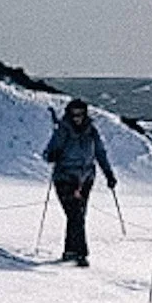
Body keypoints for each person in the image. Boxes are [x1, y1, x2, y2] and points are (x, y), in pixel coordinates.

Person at [42, 98, 116, 267]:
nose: (77, 117)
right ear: (69, 114)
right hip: (65, 178)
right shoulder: (62, 130)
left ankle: (70, 251)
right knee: (75, 213)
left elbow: (100, 153)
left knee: (78, 215)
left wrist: (109, 175)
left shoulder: (92, 131)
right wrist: (52, 155)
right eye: (74, 114)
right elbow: (47, 153)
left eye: (80, 113)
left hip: (85, 179)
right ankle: (81, 253)